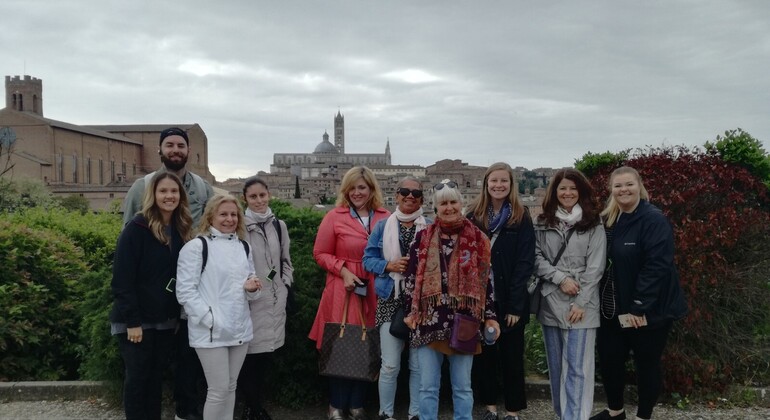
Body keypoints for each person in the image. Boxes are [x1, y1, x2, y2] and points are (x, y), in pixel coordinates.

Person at [122, 127, 214, 420]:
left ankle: (186, 413)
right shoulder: (141, 187)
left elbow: (212, 231)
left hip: (191, 290)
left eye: (181, 146)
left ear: (189, 151)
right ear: (160, 150)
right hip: (151, 291)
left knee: (187, 359)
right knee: (142, 373)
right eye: (170, 145)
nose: (176, 150)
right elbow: (126, 250)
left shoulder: (202, 187)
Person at [590, 167, 687, 420]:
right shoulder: (609, 220)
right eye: (618, 186)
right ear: (611, 190)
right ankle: (615, 411)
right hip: (612, 308)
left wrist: (638, 305)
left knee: (646, 364)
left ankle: (643, 416)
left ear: (639, 186)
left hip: (648, 310)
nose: (624, 190)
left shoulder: (653, 219)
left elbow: (656, 266)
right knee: (610, 361)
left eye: (629, 184)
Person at [403, 179, 500, 420]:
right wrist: (409, 312)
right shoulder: (423, 237)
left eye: (453, 201)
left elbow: (486, 281)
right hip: (428, 320)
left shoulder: (478, 239)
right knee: (427, 387)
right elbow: (411, 277)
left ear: (461, 203)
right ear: (435, 207)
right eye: (443, 203)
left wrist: (490, 316)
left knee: (462, 387)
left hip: (465, 320)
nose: (449, 207)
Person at [309, 166, 390, 420]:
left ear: (371, 189)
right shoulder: (334, 216)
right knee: (340, 343)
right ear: (346, 190)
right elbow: (320, 253)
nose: (357, 192)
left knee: (368, 344)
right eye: (352, 188)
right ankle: (336, 404)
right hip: (343, 288)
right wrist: (343, 271)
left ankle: (356, 404)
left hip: (375, 287)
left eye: (362, 187)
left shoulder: (385, 217)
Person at [110, 172, 194, 420]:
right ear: (153, 195)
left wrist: (176, 317)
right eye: (163, 191)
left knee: (155, 378)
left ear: (181, 196)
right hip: (135, 322)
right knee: (138, 379)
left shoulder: (180, 230)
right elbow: (122, 281)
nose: (169, 196)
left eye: (174, 191)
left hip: (165, 321)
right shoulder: (136, 229)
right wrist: (133, 322)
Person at [176, 195, 263, 420]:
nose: (229, 219)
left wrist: (251, 288)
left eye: (234, 214)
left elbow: (248, 285)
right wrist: (210, 319)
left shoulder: (243, 247)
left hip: (240, 328)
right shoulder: (196, 247)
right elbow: (185, 292)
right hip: (210, 331)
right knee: (218, 390)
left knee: (231, 387)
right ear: (210, 217)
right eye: (223, 214)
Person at [534, 168, 606, 420]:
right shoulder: (543, 221)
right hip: (552, 299)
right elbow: (536, 257)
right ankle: (561, 414)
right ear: (555, 192)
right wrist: (560, 278)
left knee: (577, 368)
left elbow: (596, 266)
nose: (567, 193)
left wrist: (582, 301)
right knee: (556, 368)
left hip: (582, 304)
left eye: (573, 188)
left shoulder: (593, 222)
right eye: (562, 188)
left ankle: (574, 416)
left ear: (581, 192)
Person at [466, 163, 535, 420]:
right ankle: (490, 407)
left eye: (503, 181)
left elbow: (525, 262)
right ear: (485, 183)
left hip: (511, 296)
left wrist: (517, 305)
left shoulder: (521, 216)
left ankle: (513, 411)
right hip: (482, 298)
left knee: (512, 357)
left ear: (511, 184)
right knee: (485, 355)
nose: (498, 185)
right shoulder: (474, 216)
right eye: (494, 180)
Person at [363, 176, 430, 420]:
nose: (410, 196)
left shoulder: (430, 225)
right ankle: (385, 414)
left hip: (422, 304)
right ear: (397, 194)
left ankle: (415, 414)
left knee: (417, 366)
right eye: (405, 191)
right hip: (390, 300)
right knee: (390, 365)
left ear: (422, 198)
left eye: (416, 193)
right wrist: (389, 265)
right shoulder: (382, 226)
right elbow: (367, 260)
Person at [238, 177, 294, 420]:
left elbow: (285, 261)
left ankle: (256, 405)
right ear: (245, 199)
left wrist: (284, 284)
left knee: (264, 358)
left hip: (275, 301)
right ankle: (251, 407)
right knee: (249, 359)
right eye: (253, 197)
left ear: (269, 195)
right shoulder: (238, 227)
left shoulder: (278, 226)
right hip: (250, 301)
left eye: (262, 195)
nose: (259, 201)